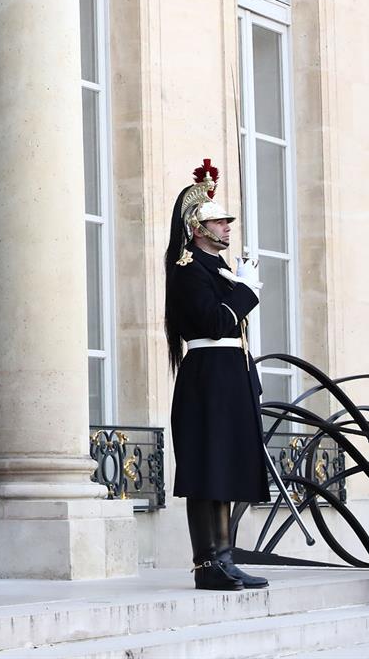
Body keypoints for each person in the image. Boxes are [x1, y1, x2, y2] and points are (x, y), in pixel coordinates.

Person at [165, 159, 270, 591]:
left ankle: (225, 557)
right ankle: (206, 564)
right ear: (197, 227)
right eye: (217, 222)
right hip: (208, 377)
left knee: (224, 470)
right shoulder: (188, 269)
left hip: (230, 376)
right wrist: (246, 291)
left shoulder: (220, 271)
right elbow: (214, 324)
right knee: (207, 469)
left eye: (226, 222)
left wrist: (238, 284)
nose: (226, 228)